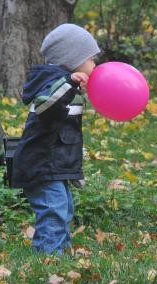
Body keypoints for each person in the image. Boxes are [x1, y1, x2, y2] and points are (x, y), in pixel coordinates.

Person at [12, 23, 100, 254]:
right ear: (73, 58)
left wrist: (73, 171)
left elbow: (65, 131)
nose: (95, 64)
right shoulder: (51, 82)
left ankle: (60, 251)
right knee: (54, 209)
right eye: (91, 58)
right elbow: (45, 105)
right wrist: (70, 83)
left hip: (54, 162)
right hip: (40, 162)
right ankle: (47, 258)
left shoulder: (65, 83)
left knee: (64, 208)